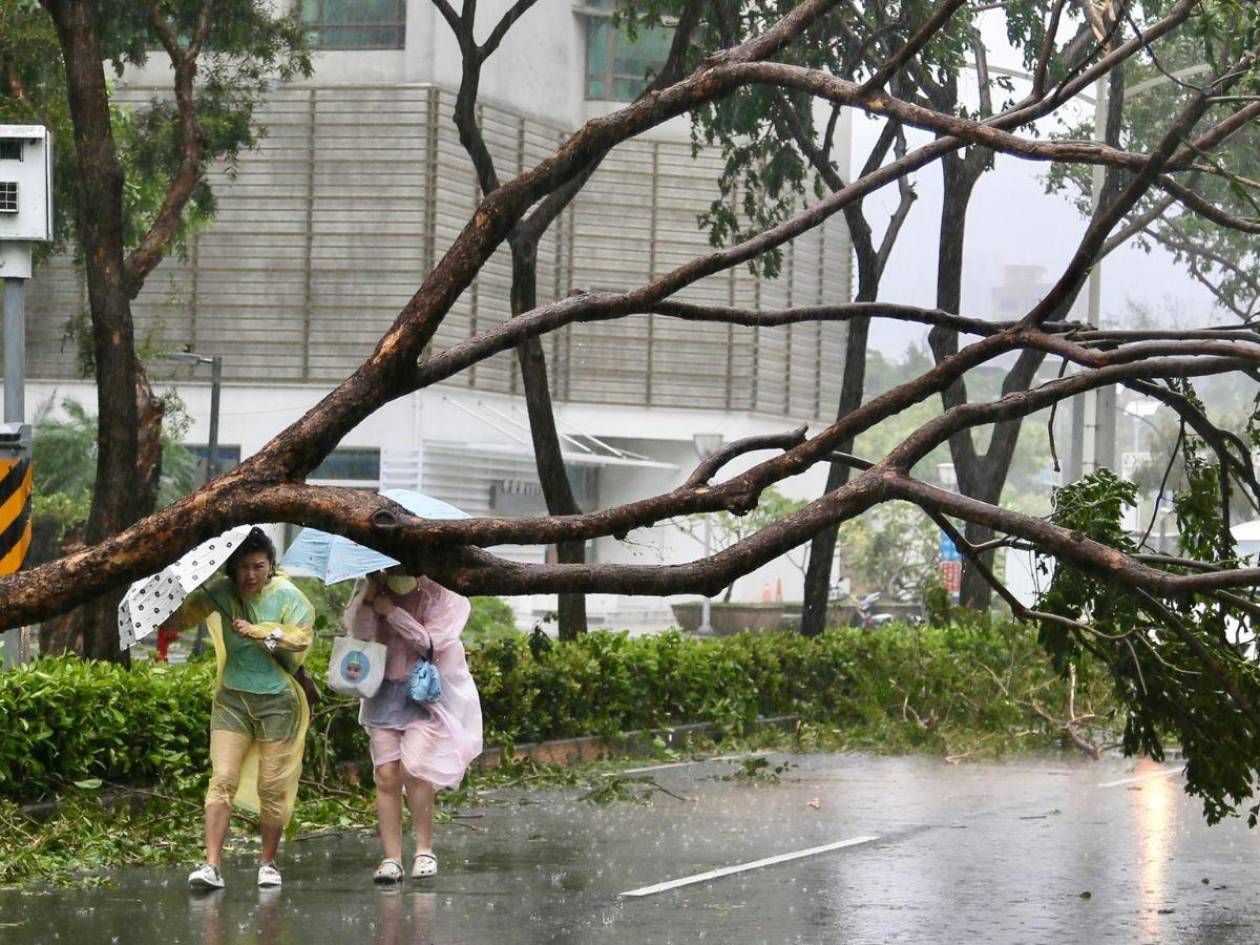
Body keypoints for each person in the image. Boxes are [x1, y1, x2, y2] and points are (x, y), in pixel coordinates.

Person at [157, 527, 316, 890]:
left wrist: (262, 631)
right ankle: (211, 865)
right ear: (231, 569)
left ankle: (268, 862)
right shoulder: (220, 593)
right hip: (232, 698)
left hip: (277, 702)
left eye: (258, 566)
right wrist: (174, 595)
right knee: (222, 779)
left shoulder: (288, 595)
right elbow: (179, 620)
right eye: (242, 567)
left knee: (271, 787)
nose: (250, 575)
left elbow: (301, 637)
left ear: (271, 566)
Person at [344, 568, 483, 882]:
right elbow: (361, 635)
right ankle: (391, 858)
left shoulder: (437, 590)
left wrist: (391, 612)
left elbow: (431, 644)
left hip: (422, 694)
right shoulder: (376, 584)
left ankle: (424, 849)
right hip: (381, 692)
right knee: (385, 775)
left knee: (415, 768)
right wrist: (369, 598)